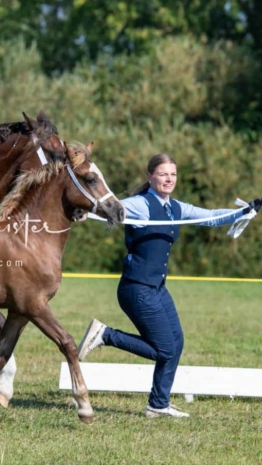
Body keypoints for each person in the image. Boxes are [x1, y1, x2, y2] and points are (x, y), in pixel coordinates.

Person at [77, 153, 262, 418]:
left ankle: (158, 404)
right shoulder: (140, 205)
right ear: (150, 176)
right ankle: (106, 335)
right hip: (136, 288)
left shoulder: (175, 208)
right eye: (163, 174)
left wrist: (244, 211)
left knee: (176, 342)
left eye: (173, 174)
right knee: (164, 350)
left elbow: (210, 217)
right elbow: (110, 206)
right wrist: (82, 209)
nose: (169, 179)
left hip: (156, 288)